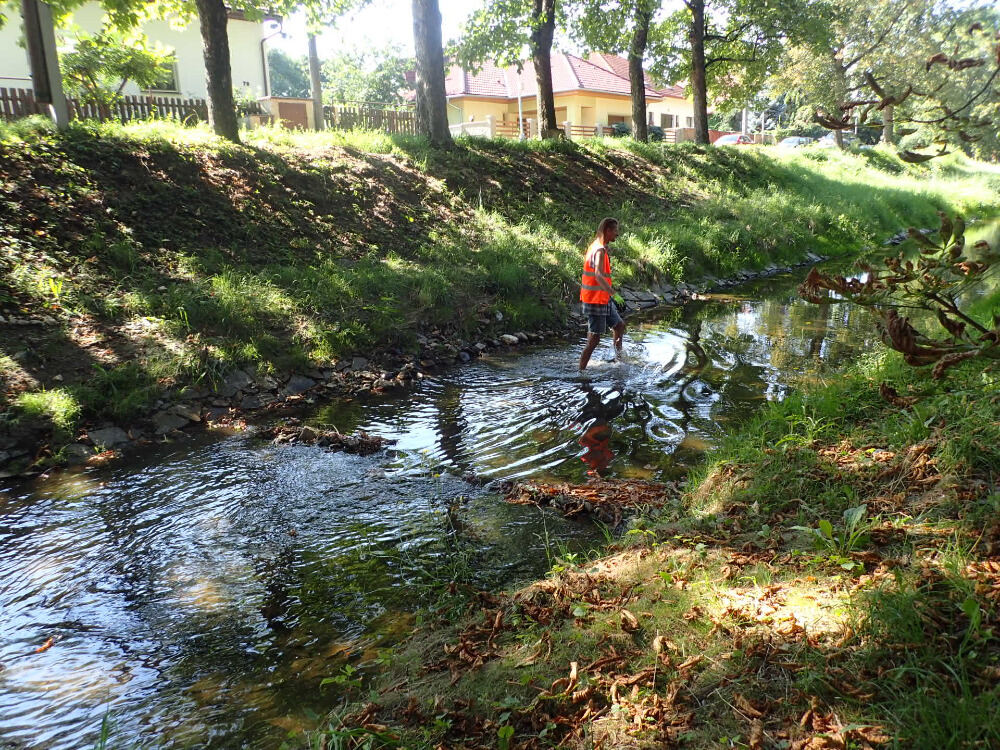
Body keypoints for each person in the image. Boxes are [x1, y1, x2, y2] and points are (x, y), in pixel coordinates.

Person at [578, 217, 625, 370]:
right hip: (595, 299)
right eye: (616, 231)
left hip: (603, 298)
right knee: (594, 339)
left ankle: (619, 360)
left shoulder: (600, 246)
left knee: (619, 325)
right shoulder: (598, 250)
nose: (617, 234)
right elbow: (598, 275)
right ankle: (581, 371)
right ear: (608, 230)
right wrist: (614, 294)